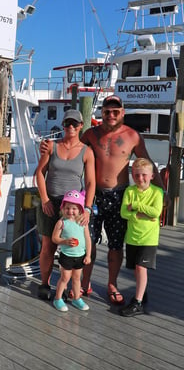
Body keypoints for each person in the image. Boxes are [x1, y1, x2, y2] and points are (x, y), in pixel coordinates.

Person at [40, 95, 164, 305]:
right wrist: (47, 145)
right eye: (107, 111)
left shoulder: (132, 136)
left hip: (119, 195)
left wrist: (162, 191)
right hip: (94, 196)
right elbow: (72, 145)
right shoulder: (91, 134)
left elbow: (148, 162)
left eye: (116, 111)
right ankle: (83, 284)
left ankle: (112, 285)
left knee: (116, 245)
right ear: (102, 112)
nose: (111, 115)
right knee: (90, 241)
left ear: (122, 113)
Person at [35, 109, 95, 301]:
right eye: (67, 123)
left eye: (74, 124)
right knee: (48, 246)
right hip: (51, 203)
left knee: (75, 246)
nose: (70, 127)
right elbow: (39, 173)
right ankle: (45, 284)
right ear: (63, 125)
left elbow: (91, 182)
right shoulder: (51, 146)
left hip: (74, 207)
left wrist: (86, 208)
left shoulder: (87, 151)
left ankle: (70, 287)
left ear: (80, 126)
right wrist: (44, 199)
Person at [119, 158, 163, 317]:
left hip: (148, 239)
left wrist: (136, 206)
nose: (140, 178)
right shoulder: (129, 191)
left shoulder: (157, 192)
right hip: (132, 237)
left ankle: (137, 303)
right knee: (135, 269)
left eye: (144, 175)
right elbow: (124, 212)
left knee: (141, 268)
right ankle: (142, 293)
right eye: (137, 175)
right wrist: (141, 215)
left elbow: (156, 212)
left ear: (152, 176)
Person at [51, 190, 92, 312]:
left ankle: (76, 298)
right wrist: (65, 241)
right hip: (67, 255)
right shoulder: (61, 223)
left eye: (74, 208)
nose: (70, 211)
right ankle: (58, 298)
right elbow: (54, 238)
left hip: (80, 255)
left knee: (76, 278)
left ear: (80, 209)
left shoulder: (82, 223)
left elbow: (88, 239)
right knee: (65, 278)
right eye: (67, 208)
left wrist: (88, 255)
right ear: (63, 209)